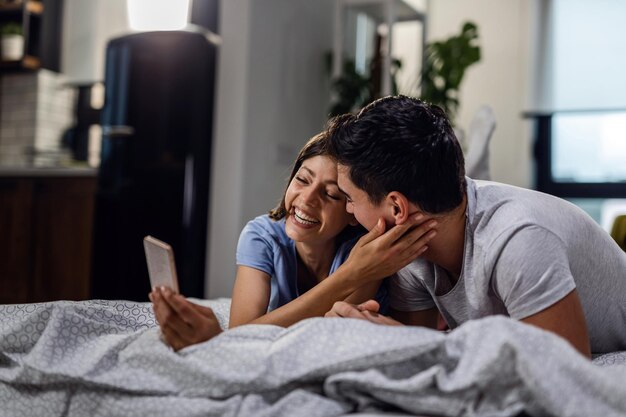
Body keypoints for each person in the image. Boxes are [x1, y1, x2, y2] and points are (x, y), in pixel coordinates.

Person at [324, 95, 626, 357]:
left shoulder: (518, 240)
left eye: (349, 198)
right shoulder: (409, 248)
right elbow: (415, 351)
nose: (348, 212)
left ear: (396, 208)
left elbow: (566, 374)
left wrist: (409, 343)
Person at [150, 130, 438, 351]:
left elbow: (319, 335)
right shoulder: (262, 235)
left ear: (351, 209)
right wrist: (353, 273)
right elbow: (241, 331)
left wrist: (359, 269)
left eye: (330, 194)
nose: (307, 200)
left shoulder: (367, 249)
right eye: (302, 180)